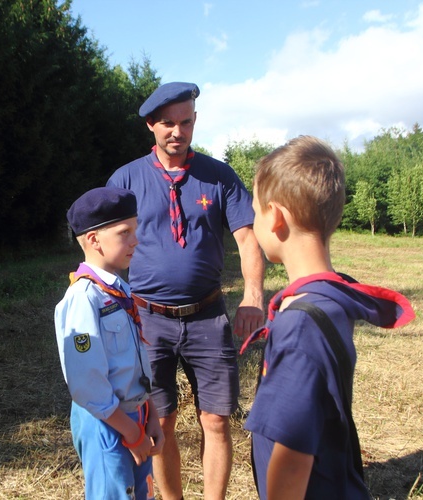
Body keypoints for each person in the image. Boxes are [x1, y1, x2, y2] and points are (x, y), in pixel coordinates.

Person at [107, 82, 265, 499]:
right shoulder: (126, 180)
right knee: (160, 420)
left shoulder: (219, 176)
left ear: (195, 121)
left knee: (216, 421)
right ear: (150, 125)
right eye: (167, 124)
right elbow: (103, 243)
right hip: (147, 321)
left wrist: (252, 295)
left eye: (186, 122)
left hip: (208, 318)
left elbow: (248, 240)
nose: (177, 132)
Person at [241, 135, 415, 498]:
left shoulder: (300, 325)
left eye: (255, 209)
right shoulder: (328, 299)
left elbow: (292, 459)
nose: (253, 219)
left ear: (274, 217)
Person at [54, 186, 166, 499]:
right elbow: (86, 383)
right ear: (94, 240)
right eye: (125, 232)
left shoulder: (121, 292)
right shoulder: (83, 299)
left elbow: (135, 362)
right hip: (107, 423)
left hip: (136, 416)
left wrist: (151, 414)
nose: (136, 240)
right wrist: (131, 433)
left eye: (136, 229)